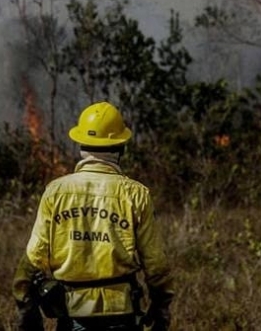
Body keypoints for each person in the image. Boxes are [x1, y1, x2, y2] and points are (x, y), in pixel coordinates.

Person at [13, 101, 174, 331]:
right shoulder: (136, 194)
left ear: (81, 145)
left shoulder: (55, 192)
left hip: (72, 317)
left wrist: (24, 304)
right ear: (120, 147)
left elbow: (34, 256)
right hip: (121, 315)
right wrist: (161, 306)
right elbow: (155, 262)